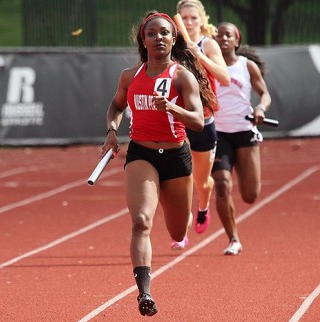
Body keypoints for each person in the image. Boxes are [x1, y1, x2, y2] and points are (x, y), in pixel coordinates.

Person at [100, 11, 216, 316]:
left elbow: (199, 122)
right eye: (152, 34)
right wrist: (112, 131)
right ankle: (144, 293)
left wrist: (172, 107)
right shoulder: (130, 76)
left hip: (176, 156)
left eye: (164, 33)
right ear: (143, 39)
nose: (158, 38)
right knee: (141, 220)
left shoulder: (181, 76)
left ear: (173, 38)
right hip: (142, 154)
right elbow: (116, 105)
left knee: (178, 232)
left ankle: (184, 213)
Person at [213, 22, 272, 255]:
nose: (223, 38)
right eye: (219, 35)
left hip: (244, 131)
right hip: (217, 134)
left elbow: (264, 94)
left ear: (236, 40)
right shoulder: (207, 67)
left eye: (228, 35)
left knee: (250, 195)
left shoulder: (247, 67)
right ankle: (233, 239)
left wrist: (261, 109)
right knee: (222, 184)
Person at [175, 0, 230, 237]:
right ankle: (181, 223)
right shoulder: (172, 43)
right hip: (179, 118)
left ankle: (203, 206)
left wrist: (200, 57)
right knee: (181, 176)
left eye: (193, 18)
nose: (188, 22)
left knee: (202, 182)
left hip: (204, 120)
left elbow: (224, 77)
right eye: (184, 18)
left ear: (201, 20)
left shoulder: (208, 44)